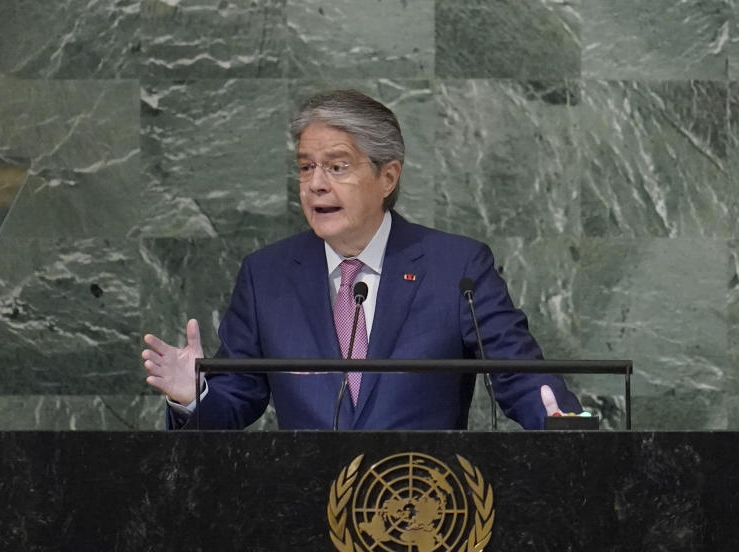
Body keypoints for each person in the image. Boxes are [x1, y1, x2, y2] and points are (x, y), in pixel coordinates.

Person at [142, 89, 582, 430]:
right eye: (305, 167)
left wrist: (568, 428)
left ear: (387, 177)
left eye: (336, 167)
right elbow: (235, 400)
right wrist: (191, 397)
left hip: (422, 516)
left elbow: (521, 376)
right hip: (302, 517)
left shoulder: (457, 267)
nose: (315, 184)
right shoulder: (267, 276)